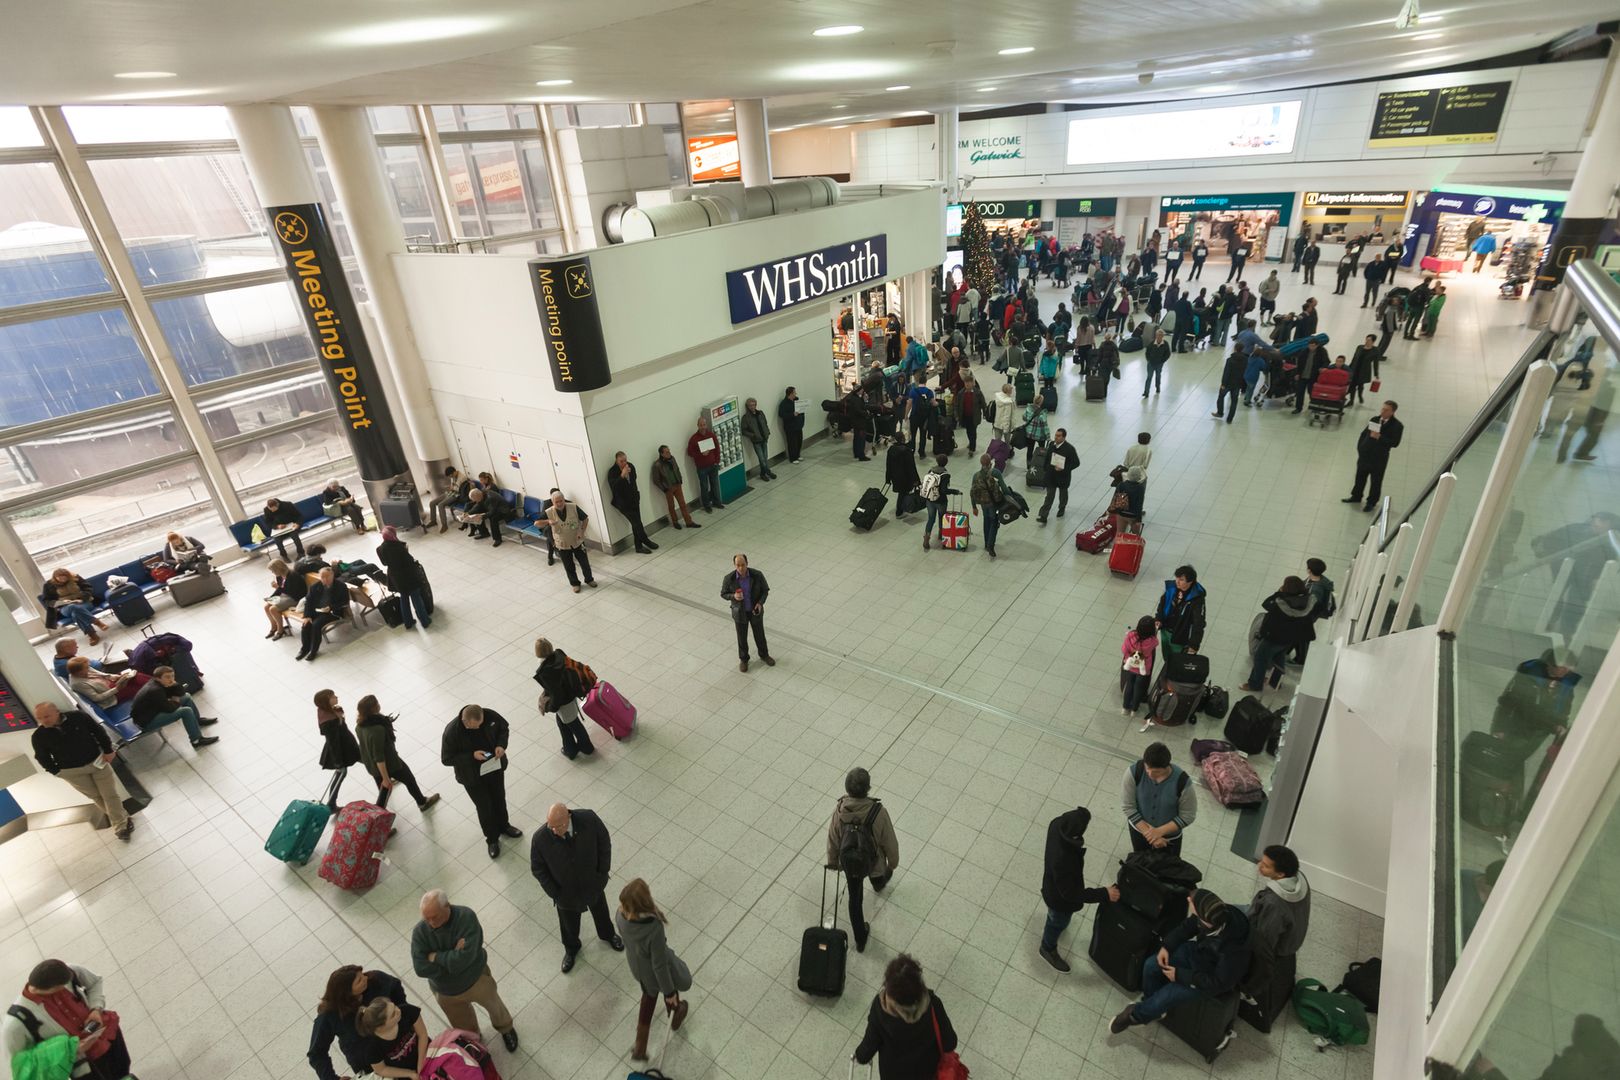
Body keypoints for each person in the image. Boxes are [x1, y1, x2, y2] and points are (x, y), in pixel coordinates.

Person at [1109, 889, 1251, 1034]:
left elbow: (1218, 983)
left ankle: (1135, 1016)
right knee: (1151, 965)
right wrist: (1167, 946)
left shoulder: (1234, 950)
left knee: (1166, 996)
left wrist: (1179, 975)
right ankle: (1152, 1006)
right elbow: (1187, 927)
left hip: (1205, 977)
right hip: (1197, 953)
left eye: (1192, 903)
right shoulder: (1215, 913)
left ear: (1205, 921)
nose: (1189, 901)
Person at [411, 890, 519, 1051]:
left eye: (435, 917)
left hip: (476, 979)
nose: (431, 923)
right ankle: (474, 1042)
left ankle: (506, 1028)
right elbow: (420, 968)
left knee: (495, 1006)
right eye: (427, 918)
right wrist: (453, 956)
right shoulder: (420, 931)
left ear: (447, 906)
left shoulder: (466, 917)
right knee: (461, 1022)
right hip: (445, 991)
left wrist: (435, 957)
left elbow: (465, 959)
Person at [2, 959, 133, 1080]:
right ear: (53, 987)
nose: (66, 987)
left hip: (107, 1035)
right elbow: (22, 1068)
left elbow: (95, 981)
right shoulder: (16, 1022)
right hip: (83, 1064)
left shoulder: (68, 972)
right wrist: (70, 1048)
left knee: (123, 1071)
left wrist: (95, 1008)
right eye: (62, 986)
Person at [531, 803, 624, 973]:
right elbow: (538, 869)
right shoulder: (540, 839)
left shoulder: (588, 819)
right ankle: (571, 949)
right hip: (565, 894)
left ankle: (608, 935)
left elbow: (604, 842)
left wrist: (602, 872)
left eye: (558, 826)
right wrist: (555, 893)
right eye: (550, 826)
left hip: (592, 883)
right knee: (568, 924)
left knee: (600, 910)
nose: (554, 831)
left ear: (568, 818)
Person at [825, 767, 901, 953]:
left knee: (855, 899)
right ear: (868, 788)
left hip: (851, 864)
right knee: (877, 874)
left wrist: (833, 861)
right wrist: (893, 862)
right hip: (873, 862)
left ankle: (860, 938)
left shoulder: (840, 811)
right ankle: (878, 884)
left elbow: (833, 838)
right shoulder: (878, 812)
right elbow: (889, 840)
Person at [616, 878, 692, 1063]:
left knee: (648, 999)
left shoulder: (619, 916)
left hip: (637, 967)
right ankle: (676, 1012)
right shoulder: (652, 928)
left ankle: (640, 1048)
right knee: (671, 984)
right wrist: (669, 992)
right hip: (652, 971)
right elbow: (659, 966)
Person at [30, 702, 131, 840]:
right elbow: (42, 757)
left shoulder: (78, 717)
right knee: (96, 797)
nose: (43, 720)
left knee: (110, 795)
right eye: (39, 718)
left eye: (47, 716)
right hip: (72, 772)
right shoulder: (38, 736)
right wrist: (57, 772)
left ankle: (120, 827)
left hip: (97, 762)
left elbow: (98, 731)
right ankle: (123, 818)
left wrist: (108, 750)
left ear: (57, 712)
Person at [1039, 806, 1121, 972]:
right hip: (1059, 901)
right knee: (1057, 922)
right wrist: (1104, 893)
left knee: (1057, 919)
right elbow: (1071, 893)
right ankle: (1047, 947)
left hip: (1050, 886)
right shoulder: (1063, 860)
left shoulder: (1056, 824)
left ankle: (1053, 930)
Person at [851, 954, 957, 1079]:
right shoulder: (933, 1004)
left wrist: (859, 1055)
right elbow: (950, 1042)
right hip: (928, 1071)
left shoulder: (881, 1012)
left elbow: (867, 1049)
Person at [441, 704, 521, 859]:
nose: (478, 728)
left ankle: (505, 826)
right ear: (465, 721)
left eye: (480, 724)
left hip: (494, 769)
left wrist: (501, 745)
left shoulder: (489, 716)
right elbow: (446, 759)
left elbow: (504, 729)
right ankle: (492, 839)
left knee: (499, 799)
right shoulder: (452, 732)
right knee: (484, 807)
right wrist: (471, 756)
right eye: (474, 727)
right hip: (472, 777)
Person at [309, 965, 409, 1080]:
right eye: (359, 980)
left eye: (363, 975)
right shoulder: (329, 1014)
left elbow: (396, 986)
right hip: (370, 1066)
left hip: (402, 1045)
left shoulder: (376, 980)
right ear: (346, 992)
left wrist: (403, 1015)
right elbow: (317, 1053)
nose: (366, 978)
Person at [1241, 846, 1311, 1005]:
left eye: (1265, 865)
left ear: (1280, 874)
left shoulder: (1274, 903)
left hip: (1279, 946)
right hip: (1293, 937)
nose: (1259, 865)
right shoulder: (1300, 880)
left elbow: (1264, 939)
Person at [356, 695, 438, 813]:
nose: (379, 705)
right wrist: (385, 777)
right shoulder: (378, 729)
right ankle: (422, 802)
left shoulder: (359, 726)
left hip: (372, 766)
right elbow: (379, 756)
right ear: (373, 708)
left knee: (383, 793)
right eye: (377, 703)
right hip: (390, 764)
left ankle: (377, 820)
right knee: (409, 779)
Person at [1241, 577, 1317, 692]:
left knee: (1260, 658)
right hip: (1291, 637)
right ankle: (1275, 682)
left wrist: (1278, 593)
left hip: (1274, 637)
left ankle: (1255, 684)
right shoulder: (1308, 601)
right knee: (1279, 657)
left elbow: (1266, 604)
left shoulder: (1281, 604)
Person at [1122, 741, 1196, 855]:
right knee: (1140, 861)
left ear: (1167, 766)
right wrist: (1151, 835)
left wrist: (1159, 832)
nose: (1150, 774)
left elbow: (1187, 815)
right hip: (1139, 830)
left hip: (1169, 838)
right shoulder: (1134, 772)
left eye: (1156, 771)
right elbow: (1128, 806)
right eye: (1147, 768)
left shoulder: (1183, 782)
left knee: (1168, 867)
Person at [533, 637, 597, 759]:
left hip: (563, 702)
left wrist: (552, 707)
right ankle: (570, 748)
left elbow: (556, 694)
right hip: (571, 694)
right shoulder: (559, 654)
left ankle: (586, 747)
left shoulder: (546, 671)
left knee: (573, 724)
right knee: (563, 722)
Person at [130, 665, 217, 748]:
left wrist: (175, 685)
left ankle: (197, 721)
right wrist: (175, 700)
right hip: (146, 721)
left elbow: (181, 693)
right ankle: (196, 740)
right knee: (186, 711)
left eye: (172, 676)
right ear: (158, 678)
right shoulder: (155, 690)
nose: (171, 679)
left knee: (186, 696)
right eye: (167, 677)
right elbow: (169, 709)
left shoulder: (158, 683)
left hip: (153, 711)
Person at [1343, 400, 1404, 511]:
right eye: (1382, 408)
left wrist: (1379, 437)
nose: (1383, 411)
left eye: (1386, 410)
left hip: (1379, 458)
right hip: (1365, 454)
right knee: (1360, 477)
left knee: (1376, 481)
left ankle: (1371, 502)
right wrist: (1361, 448)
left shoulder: (1397, 426)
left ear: (1392, 412)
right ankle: (1356, 496)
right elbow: (1364, 434)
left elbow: (1395, 443)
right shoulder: (1375, 419)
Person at [352, 996, 429, 1080]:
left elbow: (422, 1034)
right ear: (380, 1027)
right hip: (404, 1074)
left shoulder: (407, 1011)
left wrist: (421, 1063)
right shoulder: (371, 1047)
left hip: (426, 1053)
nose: (398, 1010)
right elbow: (381, 1069)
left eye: (394, 1006)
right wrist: (410, 1074)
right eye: (393, 1014)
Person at [721, 553, 773, 672]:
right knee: (742, 637)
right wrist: (733, 596)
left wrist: (760, 603)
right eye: (738, 565)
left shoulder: (757, 575)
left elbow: (765, 590)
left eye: (743, 565)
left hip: (755, 611)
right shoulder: (729, 578)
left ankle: (764, 655)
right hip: (740, 612)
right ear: (734, 565)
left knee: (760, 635)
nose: (741, 568)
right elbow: (723, 594)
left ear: (747, 563)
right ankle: (744, 659)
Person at [373, 526, 431, 629]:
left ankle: (408, 622)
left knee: (404, 599)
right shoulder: (399, 546)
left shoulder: (380, 549)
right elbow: (409, 560)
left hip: (396, 578)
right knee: (416, 598)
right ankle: (424, 621)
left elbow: (384, 563)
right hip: (408, 576)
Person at [315, 688, 361, 812]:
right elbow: (333, 743)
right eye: (333, 696)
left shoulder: (325, 712)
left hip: (346, 747)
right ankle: (331, 804)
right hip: (344, 749)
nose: (336, 697)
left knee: (342, 773)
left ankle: (331, 804)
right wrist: (338, 762)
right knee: (342, 772)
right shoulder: (329, 721)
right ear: (326, 701)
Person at [606, 451, 658, 554]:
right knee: (637, 523)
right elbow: (614, 487)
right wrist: (622, 476)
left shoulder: (631, 466)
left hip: (634, 499)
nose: (624, 463)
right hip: (623, 503)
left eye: (625, 460)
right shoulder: (612, 472)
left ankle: (638, 547)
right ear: (616, 461)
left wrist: (628, 475)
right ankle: (645, 540)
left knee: (637, 522)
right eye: (621, 461)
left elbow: (634, 480)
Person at [545, 490, 597, 593]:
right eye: (557, 502)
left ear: (564, 500)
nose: (559, 504)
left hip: (577, 541)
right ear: (552, 502)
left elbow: (585, 519)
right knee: (568, 566)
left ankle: (589, 580)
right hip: (562, 544)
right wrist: (548, 521)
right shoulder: (549, 512)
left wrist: (581, 532)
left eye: (561, 501)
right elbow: (537, 523)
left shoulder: (573, 507)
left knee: (584, 563)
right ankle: (575, 584)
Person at [297, 566, 350, 661]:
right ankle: (304, 649)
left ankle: (313, 651)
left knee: (316, 625)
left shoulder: (341, 586)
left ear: (332, 575)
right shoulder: (315, 587)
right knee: (306, 625)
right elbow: (308, 602)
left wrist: (330, 607)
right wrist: (307, 616)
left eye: (327, 577)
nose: (324, 579)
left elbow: (344, 601)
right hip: (317, 611)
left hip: (332, 613)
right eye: (322, 577)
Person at [40, 569, 107, 643]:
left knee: (75, 614)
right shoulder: (49, 585)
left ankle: (92, 635)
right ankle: (96, 622)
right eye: (60, 578)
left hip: (84, 603)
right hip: (65, 607)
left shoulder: (76, 578)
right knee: (72, 607)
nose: (63, 580)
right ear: (55, 577)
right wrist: (61, 602)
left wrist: (82, 599)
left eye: (65, 578)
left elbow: (88, 588)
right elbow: (47, 601)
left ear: (68, 576)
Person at [1155, 566, 1207, 656]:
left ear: (1190, 582)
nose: (1177, 581)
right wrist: (1159, 618)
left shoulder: (1197, 599)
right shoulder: (1171, 588)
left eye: (1181, 579)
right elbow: (1162, 604)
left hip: (1180, 636)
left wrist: (1194, 645)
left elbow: (1198, 623)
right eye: (1177, 578)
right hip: (1165, 630)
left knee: (1177, 661)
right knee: (1166, 655)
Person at [649, 445, 700, 532]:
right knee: (671, 506)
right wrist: (664, 488)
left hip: (677, 485)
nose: (669, 453)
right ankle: (675, 522)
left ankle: (689, 522)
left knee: (683, 504)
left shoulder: (672, 459)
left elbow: (677, 469)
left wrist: (680, 479)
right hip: (668, 488)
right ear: (661, 454)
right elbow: (656, 480)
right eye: (667, 452)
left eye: (669, 451)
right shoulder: (657, 465)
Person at [1296, 558, 1337, 664]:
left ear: (1309, 570)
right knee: (1300, 634)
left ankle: (1301, 659)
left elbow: (1311, 605)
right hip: (1312, 614)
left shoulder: (1315, 589)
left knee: (1303, 636)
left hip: (1307, 615)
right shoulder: (1322, 580)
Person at [64, 655, 146, 707]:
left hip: (112, 683)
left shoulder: (85, 669)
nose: (89, 668)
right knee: (138, 685)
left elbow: (102, 674)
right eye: (86, 667)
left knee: (137, 676)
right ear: (79, 672)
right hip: (112, 694)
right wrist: (117, 689)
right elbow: (97, 698)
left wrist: (115, 676)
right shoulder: (77, 684)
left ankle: (155, 684)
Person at [1119, 615, 1160, 718]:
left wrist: (1129, 657)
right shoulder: (1152, 641)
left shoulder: (1131, 635)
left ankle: (1125, 708)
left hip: (1131, 666)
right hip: (1143, 668)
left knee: (1129, 685)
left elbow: (1124, 649)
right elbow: (1156, 642)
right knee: (1138, 688)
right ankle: (1134, 710)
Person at [1037, 428, 1079, 524]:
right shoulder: (1052, 445)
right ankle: (1043, 515)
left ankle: (1062, 507)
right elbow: (1048, 458)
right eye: (1055, 435)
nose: (1056, 437)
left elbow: (1076, 463)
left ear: (1064, 437)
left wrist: (1064, 468)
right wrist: (1045, 469)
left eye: (1059, 436)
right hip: (1051, 476)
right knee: (1049, 496)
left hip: (1063, 477)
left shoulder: (1069, 449)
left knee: (1063, 494)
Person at [969, 453, 1007, 558]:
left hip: (983, 503)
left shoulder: (976, 475)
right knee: (994, 522)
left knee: (986, 520)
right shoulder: (995, 473)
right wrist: (1010, 496)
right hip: (994, 503)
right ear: (990, 462)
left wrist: (974, 507)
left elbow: (972, 492)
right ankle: (991, 545)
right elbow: (1003, 487)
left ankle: (986, 543)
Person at [686, 413, 724, 511]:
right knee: (704, 487)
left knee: (715, 484)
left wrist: (717, 461)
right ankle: (707, 505)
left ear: (706, 425)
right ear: (698, 426)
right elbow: (690, 453)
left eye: (704, 425)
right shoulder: (694, 438)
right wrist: (700, 453)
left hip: (713, 465)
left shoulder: (711, 435)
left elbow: (717, 448)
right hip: (702, 467)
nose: (703, 427)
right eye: (701, 425)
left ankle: (717, 502)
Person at [919, 454, 957, 551]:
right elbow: (944, 490)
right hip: (941, 501)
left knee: (931, 519)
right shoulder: (945, 475)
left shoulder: (931, 471)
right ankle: (942, 536)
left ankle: (926, 538)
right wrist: (954, 491)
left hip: (929, 500)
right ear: (946, 463)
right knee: (942, 518)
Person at [263, 557, 307, 640]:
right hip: (286, 596)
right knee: (266, 607)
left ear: (278, 569)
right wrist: (271, 597)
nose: (272, 572)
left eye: (273, 570)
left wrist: (278, 587)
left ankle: (280, 630)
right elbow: (280, 590)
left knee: (273, 609)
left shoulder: (293, 575)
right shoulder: (280, 576)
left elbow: (292, 592)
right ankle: (274, 627)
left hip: (295, 598)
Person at [739, 397, 775, 481]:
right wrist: (753, 435)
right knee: (762, 459)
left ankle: (764, 473)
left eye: (753, 405)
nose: (752, 407)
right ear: (747, 406)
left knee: (765, 458)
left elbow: (765, 423)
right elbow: (743, 430)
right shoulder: (746, 417)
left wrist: (767, 432)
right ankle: (767, 472)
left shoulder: (760, 413)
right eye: (750, 405)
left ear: (756, 405)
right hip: (756, 441)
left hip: (764, 438)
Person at [428, 466, 471, 532]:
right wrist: (451, 488)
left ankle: (444, 525)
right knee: (432, 503)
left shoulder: (462, 478)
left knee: (440, 505)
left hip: (456, 495)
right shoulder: (453, 476)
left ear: (454, 472)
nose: (451, 477)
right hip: (450, 492)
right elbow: (452, 486)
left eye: (451, 475)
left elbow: (460, 491)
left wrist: (452, 489)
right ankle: (433, 521)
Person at [904, 374, 936, 460]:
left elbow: (909, 404)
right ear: (926, 382)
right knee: (923, 435)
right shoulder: (929, 392)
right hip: (925, 418)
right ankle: (921, 453)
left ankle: (912, 450)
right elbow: (933, 403)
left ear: (918, 382)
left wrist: (906, 415)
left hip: (914, 416)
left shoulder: (913, 391)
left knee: (913, 435)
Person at [954, 371, 982, 453]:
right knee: (968, 431)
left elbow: (983, 403)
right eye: (966, 383)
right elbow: (956, 405)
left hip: (974, 416)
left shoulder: (978, 393)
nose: (967, 385)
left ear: (973, 383)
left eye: (969, 383)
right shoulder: (961, 393)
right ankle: (971, 442)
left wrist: (985, 413)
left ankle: (972, 448)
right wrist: (956, 415)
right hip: (965, 416)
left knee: (973, 431)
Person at [1348, 334, 1381, 404]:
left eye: (1369, 340)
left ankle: (1360, 395)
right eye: (1366, 339)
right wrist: (1349, 368)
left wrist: (1376, 374)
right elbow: (1354, 358)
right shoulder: (1359, 347)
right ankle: (1351, 401)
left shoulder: (1375, 350)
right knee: (1352, 385)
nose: (1366, 341)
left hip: (1364, 370)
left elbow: (1376, 362)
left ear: (1373, 342)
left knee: (1360, 385)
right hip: (1355, 368)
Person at [1022, 393, 1050, 469]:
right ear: (1041, 402)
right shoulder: (1042, 413)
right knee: (1041, 450)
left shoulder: (1028, 408)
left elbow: (1024, 417)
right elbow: (1045, 426)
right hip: (1039, 435)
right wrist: (1048, 436)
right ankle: (1040, 464)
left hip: (1029, 434)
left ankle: (1029, 465)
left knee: (1030, 449)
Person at [778, 386, 805, 462]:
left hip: (798, 425)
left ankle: (797, 455)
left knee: (799, 441)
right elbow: (781, 414)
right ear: (790, 394)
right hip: (790, 427)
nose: (796, 393)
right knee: (792, 443)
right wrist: (792, 414)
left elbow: (801, 411)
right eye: (794, 392)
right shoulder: (784, 403)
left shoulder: (797, 401)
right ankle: (793, 458)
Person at [1143, 328, 1170, 397]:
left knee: (1158, 376)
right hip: (1151, 364)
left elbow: (1167, 354)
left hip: (1159, 364)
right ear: (1156, 336)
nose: (1159, 337)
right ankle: (1146, 392)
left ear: (1162, 336)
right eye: (1158, 335)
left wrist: (1162, 360)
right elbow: (1147, 352)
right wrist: (1148, 360)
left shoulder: (1165, 344)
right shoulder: (1151, 343)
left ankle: (1157, 387)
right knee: (1149, 377)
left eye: (1160, 335)